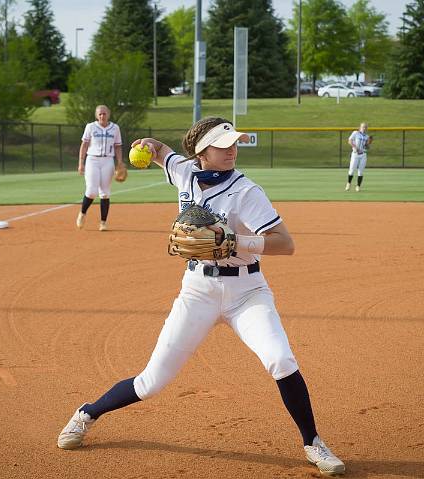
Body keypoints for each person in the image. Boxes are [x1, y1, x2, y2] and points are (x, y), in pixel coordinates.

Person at [57, 117, 346, 476]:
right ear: (201, 153)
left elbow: (285, 244)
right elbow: (163, 152)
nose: (232, 150)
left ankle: (313, 443)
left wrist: (236, 241)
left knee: (281, 360)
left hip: (246, 292)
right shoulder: (184, 171)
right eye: (222, 145)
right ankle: (86, 414)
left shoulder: (247, 191)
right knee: (151, 382)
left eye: (234, 143)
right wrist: (148, 144)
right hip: (197, 292)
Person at [76, 105, 124, 231]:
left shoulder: (115, 128)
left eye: (104, 113)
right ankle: (82, 213)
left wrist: (120, 163)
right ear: (96, 115)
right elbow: (84, 145)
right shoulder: (90, 127)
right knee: (92, 191)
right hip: (92, 159)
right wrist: (81, 162)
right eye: (100, 114)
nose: (102, 116)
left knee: (105, 193)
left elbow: (118, 146)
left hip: (108, 160)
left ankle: (103, 222)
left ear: (109, 114)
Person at [345, 122, 373, 192]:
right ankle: (348, 183)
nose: (364, 128)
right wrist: (355, 147)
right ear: (360, 127)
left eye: (365, 127)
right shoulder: (355, 133)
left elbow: (367, 147)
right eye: (363, 127)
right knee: (351, 170)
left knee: (360, 172)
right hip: (355, 154)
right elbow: (349, 141)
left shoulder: (367, 136)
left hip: (363, 155)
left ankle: (358, 186)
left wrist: (369, 143)